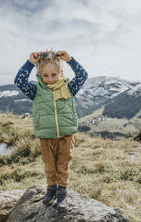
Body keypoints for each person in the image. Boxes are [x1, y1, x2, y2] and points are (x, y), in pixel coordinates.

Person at [14, 50, 88, 210]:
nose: (49, 79)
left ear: (61, 73)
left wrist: (70, 60)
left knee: (63, 164)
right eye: (45, 75)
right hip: (46, 136)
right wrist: (30, 63)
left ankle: (62, 192)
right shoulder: (36, 91)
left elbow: (83, 75)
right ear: (40, 75)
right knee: (49, 165)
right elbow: (19, 81)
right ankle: (51, 188)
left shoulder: (69, 88)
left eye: (54, 74)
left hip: (66, 135)